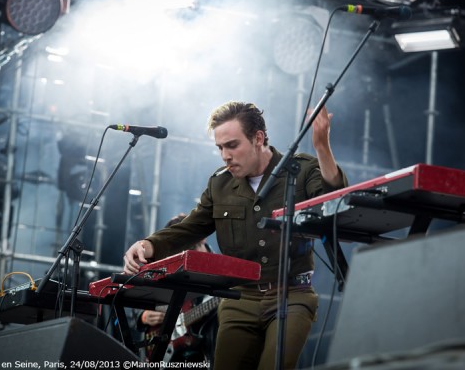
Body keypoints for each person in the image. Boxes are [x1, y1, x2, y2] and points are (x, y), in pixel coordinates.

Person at [124, 101, 347, 369]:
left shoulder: (300, 170)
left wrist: (322, 147)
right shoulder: (219, 184)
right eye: (220, 148)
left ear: (258, 138)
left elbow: (333, 202)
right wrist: (148, 244)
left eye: (232, 145)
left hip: (292, 296)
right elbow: (190, 227)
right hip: (238, 299)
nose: (225, 155)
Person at [136, 214, 218, 364]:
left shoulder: (224, 273)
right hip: (174, 356)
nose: (183, 259)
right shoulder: (173, 265)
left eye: (188, 251)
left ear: (202, 239)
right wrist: (144, 315)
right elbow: (147, 296)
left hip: (208, 354)